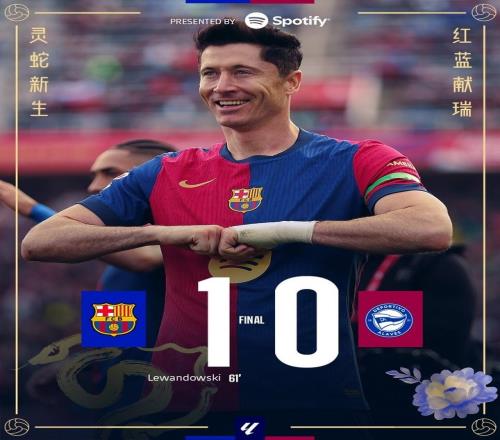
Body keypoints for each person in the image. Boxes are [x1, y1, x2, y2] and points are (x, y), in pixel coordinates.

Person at [21, 22, 452, 423]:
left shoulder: (358, 160)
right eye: (210, 73)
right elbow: (42, 241)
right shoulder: (165, 172)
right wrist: (166, 233)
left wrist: (289, 231)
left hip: (314, 403)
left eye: (242, 72)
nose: (222, 86)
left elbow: (431, 228)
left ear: (291, 81)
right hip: (180, 409)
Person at [2, 139, 173, 343]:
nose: (93, 186)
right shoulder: (114, 270)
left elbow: (142, 258)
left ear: (149, 177)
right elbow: (112, 342)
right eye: (94, 176)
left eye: (110, 173)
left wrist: (36, 211)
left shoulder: (183, 236)